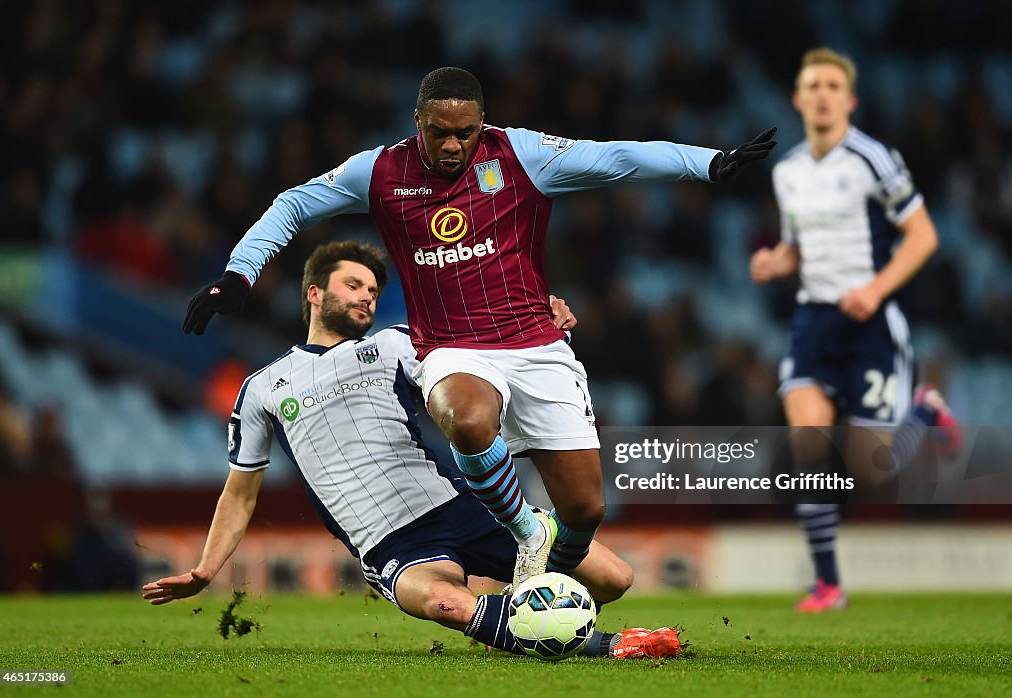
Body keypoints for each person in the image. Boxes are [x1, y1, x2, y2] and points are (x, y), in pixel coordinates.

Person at [182, 66, 777, 588]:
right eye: (439, 131)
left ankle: (541, 580)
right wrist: (238, 276)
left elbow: (615, 158)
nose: (452, 144)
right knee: (465, 418)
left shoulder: (520, 154)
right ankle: (524, 531)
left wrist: (709, 164)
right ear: (418, 121)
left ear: (482, 123)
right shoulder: (380, 172)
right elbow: (293, 203)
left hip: (536, 344)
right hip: (449, 346)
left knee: (585, 510)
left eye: (465, 132)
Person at [147, 241, 681, 659]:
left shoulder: (396, 343)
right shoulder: (262, 387)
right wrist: (205, 569)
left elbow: (483, 347)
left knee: (615, 578)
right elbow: (240, 495)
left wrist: (538, 324)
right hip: (386, 541)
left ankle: (506, 624)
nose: (366, 297)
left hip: (459, 507)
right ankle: (603, 645)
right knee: (445, 602)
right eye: (353, 285)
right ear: (313, 292)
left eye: (374, 290)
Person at [749, 48, 962, 612]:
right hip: (814, 325)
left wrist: (875, 289)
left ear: (849, 100)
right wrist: (778, 261)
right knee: (809, 449)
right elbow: (800, 248)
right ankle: (827, 584)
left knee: (873, 471)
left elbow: (922, 236)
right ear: (797, 98)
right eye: (812, 85)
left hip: (870, 326)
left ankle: (926, 410)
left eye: (831, 86)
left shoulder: (875, 159)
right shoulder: (788, 170)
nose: (821, 94)